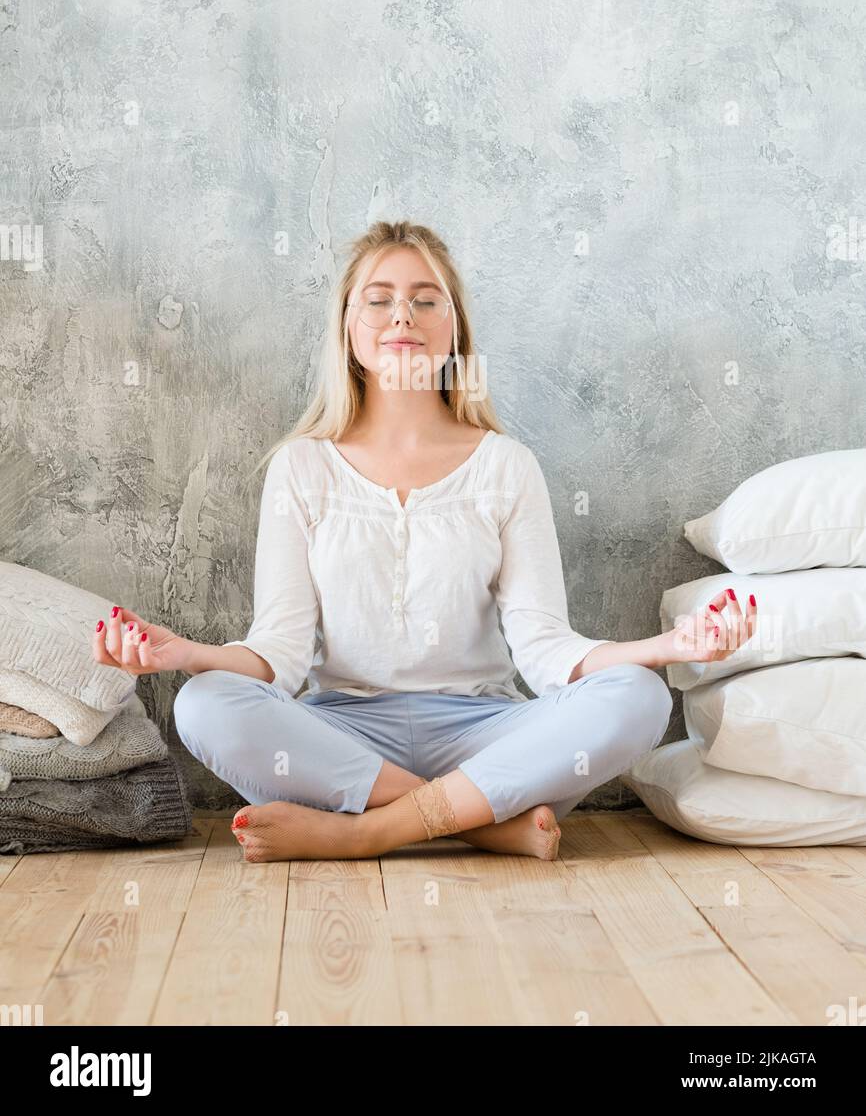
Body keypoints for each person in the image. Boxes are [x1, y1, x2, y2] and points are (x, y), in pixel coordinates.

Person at [92, 219, 757, 863]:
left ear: (455, 328)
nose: (402, 316)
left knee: (639, 695)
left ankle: (362, 835)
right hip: (344, 735)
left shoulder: (506, 465)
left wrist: (670, 648)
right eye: (378, 300)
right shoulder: (302, 466)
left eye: (425, 300)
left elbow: (548, 652)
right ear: (347, 328)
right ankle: (479, 827)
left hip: (485, 734)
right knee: (206, 703)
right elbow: (282, 654)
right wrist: (185, 654)